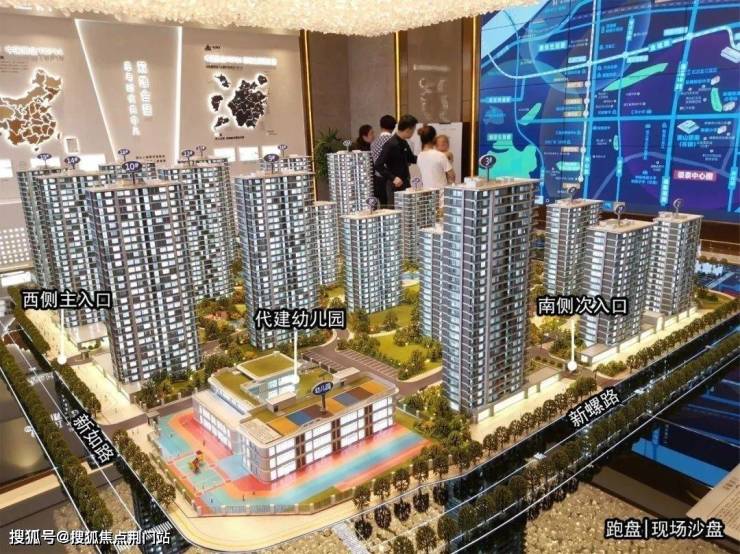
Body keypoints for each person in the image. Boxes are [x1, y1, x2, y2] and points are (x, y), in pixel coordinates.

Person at [374, 114, 418, 207]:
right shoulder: (390, 144)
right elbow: (378, 165)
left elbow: (411, 158)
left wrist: (425, 156)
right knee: (395, 211)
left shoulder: (404, 142)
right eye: (413, 130)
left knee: (408, 209)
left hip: (405, 183)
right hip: (394, 186)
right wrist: (393, 178)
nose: (413, 133)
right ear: (408, 130)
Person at [416, 125, 454, 189]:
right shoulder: (440, 155)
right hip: (440, 192)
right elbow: (452, 175)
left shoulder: (419, 156)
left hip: (426, 191)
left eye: (445, 142)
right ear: (434, 138)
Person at [370, 115, 397, 205]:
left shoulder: (373, 142)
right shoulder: (394, 141)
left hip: (378, 179)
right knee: (393, 206)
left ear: (381, 126)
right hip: (392, 178)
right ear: (394, 127)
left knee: (383, 206)